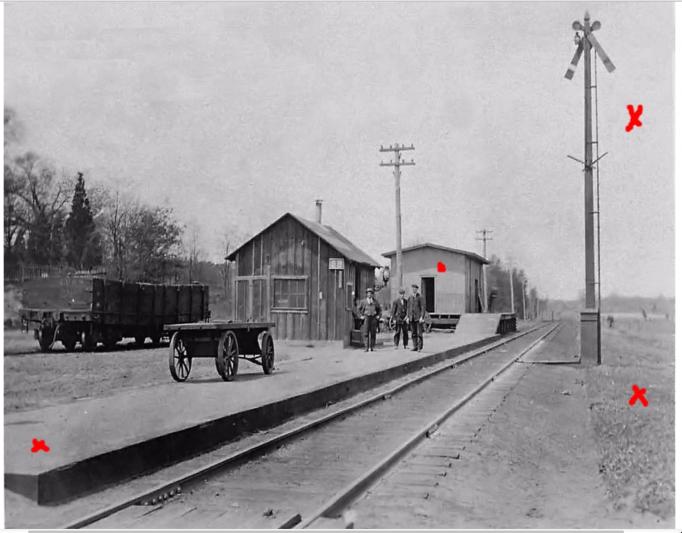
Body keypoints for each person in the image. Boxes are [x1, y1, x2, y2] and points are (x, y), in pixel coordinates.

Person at [358, 287, 382, 352]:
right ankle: (366, 347)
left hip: (373, 318)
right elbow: (358, 310)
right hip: (366, 318)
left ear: (372, 294)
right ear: (366, 294)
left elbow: (379, 310)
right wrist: (361, 316)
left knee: (373, 333)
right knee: (365, 333)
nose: (369, 294)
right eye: (368, 293)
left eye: (371, 293)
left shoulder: (375, 301)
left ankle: (371, 347)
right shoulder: (363, 301)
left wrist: (378, 316)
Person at [407, 283, 426, 351]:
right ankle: (415, 346)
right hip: (412, 318)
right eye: (412, 288)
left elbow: (423, 308)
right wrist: (408, 317)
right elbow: (408, 308)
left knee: (419, 333)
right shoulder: (410, 297)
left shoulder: (420, 297)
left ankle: (419, 347)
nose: (413, 290)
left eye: (415, 288)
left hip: (418, 318)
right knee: (413, 333)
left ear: (417, 289)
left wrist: (422, 317)